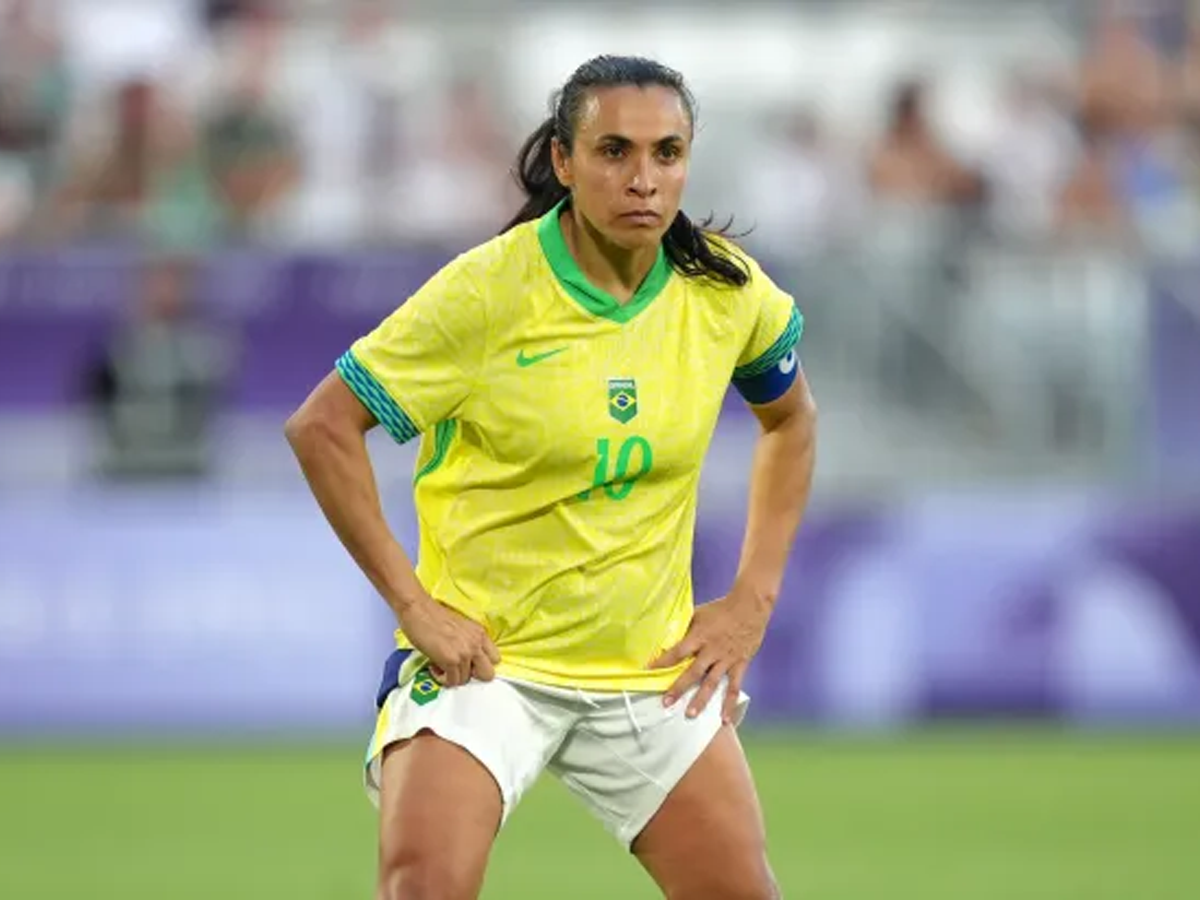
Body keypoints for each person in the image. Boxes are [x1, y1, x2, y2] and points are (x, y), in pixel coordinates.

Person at [285, 55, 817, 900]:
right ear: (564, 163)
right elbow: (322, 428)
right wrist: (416, 608)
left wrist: (752, 598)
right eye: (614, 152)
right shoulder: (488, 292)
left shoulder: (725, 291)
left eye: (667, 153)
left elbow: (790, 422)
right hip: (490, 667)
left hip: (649, 668)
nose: (644, 179)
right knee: (423, 887)